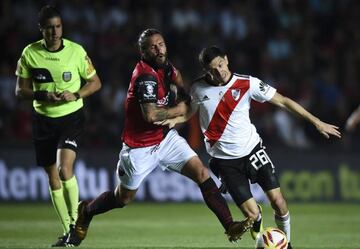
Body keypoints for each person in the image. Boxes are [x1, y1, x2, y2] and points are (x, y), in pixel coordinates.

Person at [66, 29, 253, 247]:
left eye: (161, 44)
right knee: (122, 199)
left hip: (165, 140)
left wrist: (182, 95)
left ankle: (230, 226)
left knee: (201, 173)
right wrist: (180, 108)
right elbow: (151, 115)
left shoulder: (167, 68)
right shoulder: (145, 76)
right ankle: (87, 211)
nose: (159, 49)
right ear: (143, 51)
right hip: (139, 147)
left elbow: (179, 82)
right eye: (153, 46)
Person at [157, 46, 342, 249]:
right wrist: (174, 120)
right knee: (253, 216)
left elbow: (284, 101)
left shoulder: (248, 83)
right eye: (212, 69)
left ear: (226, 59)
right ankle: (262, 239)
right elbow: (188, 113)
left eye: (220, 64)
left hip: (253, 151)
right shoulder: (198, 88)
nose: (219, 71)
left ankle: (287, 245)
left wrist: (316, 122)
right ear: (205, 71)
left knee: (279, 202)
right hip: (225, 161)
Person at [15, 5, 102, 247]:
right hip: (42, 119)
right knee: (52, 176)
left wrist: (76, 94)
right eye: (49, 28)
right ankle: (67, 232)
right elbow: (19, 91)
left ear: (62, 27)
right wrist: (43, 96)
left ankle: (76, 225)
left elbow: (95, 83)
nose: (54, 32)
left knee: (65, 169)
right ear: (41, 29)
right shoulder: (29, 53)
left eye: (58, 27)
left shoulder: (76, 51)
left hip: (70, 117)